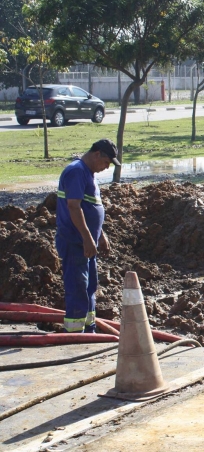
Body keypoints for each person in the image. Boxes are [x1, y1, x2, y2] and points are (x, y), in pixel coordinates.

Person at [55, 139, 120, 333]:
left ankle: (88, 329)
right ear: (97, 154)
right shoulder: (76, 171)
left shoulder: (88, 173)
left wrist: (100, 234)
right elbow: (74, 207)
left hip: (86, 242)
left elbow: (90, 207)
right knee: (78, 287)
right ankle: (74, 334)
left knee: (90, 285)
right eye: (106, 162)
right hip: (76, 242)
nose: (106, 167)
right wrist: (87, 238)